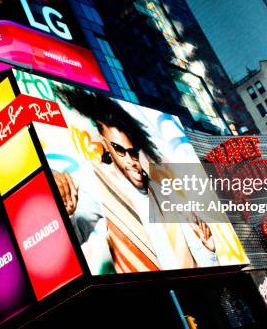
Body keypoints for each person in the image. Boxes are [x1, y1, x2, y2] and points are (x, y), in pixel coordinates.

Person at [55, 87, 218, 272]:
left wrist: (209, 251)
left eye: (133, 152)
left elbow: (201, 258)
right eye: (119, 150)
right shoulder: (99, 183)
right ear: (105, 145)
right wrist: (67, 215)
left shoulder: (165, 192)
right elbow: (73, 241)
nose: (130, 161)